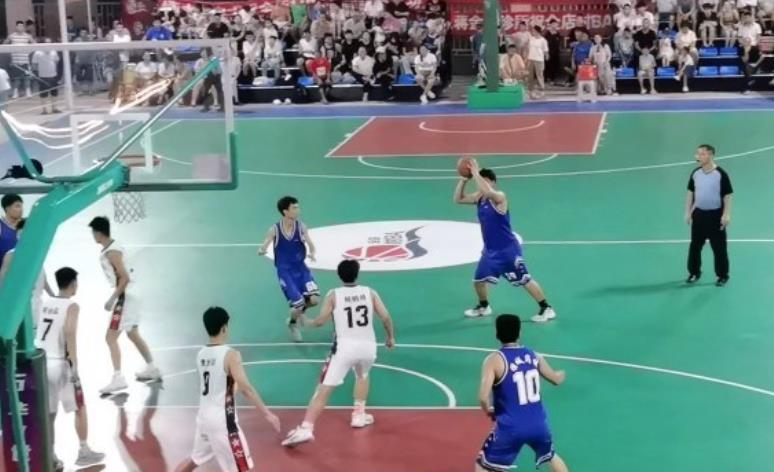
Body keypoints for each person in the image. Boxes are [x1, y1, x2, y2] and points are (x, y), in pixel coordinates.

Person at [282, 259, 396, 447]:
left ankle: (306, 428)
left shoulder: (334, 295)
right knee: (363, 375)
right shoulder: (370, 292)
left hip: (345, 348)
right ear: (357, 274)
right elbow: (385, 317)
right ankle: (359, 415)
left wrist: (306, 320)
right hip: (368, 346)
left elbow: (320, 321)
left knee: (324, 388)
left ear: (339, 275)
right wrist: (390, 337)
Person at [175, 307, 280, 472]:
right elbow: (246, 389)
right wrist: (268, 414)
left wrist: (233, 385)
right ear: (224, 327)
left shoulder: (201, 354)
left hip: (204, 419)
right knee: (242, 468)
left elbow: (220, 386)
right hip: (223, 423)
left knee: (194, 460)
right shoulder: (231, 355)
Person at [453, 159, 557, 323]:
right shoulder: (479, 198)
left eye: (485, 181)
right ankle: (484, 306)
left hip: (507, 250)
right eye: (480, 181)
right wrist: (464, 180)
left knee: (525, 280)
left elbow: (487, 191)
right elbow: (458, 199)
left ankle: (546, 308)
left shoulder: (499, 197)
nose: (481, 184)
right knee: (478, 281)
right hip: (490, 251)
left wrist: (475, 173)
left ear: (493, 182)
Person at [475, 314, 569, 472]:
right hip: (539, 425)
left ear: (497, 334)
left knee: (482, 465)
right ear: (519, 333)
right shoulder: (534, 356)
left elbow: (483, 397)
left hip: (510, 428)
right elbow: (555, 379)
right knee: (551, 456)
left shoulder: (494, 360)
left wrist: (489, 410)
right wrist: (562, 374)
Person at [36, 267, 105, 470]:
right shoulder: (72, 306)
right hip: (60, 364)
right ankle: (84, 451)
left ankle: (50, 457)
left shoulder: (46, 303)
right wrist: (74, 366)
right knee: (80, 407)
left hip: (42, 363)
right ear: (73, 284)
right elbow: (70, 333)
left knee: (49, 414)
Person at [89, 216, 161, 394]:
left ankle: (118, 378)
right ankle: (152, 367)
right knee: (132, 333)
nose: (93, 235)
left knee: (110, 338)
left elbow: (125, 277)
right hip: (132, 294)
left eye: (93, 232)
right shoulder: (113, 247)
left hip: (125, 296)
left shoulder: (112, 252)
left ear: (99, 233)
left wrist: (112, 299)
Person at [258, 196, 320, 342]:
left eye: (298, 207)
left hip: (301, 268)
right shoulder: (275, 229)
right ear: (285, 211)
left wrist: (312, 253)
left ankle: (300, 313)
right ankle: (292, 323)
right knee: (298, 304)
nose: (298, 210)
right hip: (285, 271)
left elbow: (310, 244)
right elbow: (265, 244)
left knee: (314, 300)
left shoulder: (301, 226)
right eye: (294, 208)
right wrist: (261, 249)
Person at [685, 144, 732, 286]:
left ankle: (722, 275)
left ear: (711, 155)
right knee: (695, 247)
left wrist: (726, 214)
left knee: (719, 248)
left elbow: (727, 195)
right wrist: (687, 212)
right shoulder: (695, 173)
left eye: (702, 154)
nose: (698, 156)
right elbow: (690, 193)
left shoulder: (720, 174)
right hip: (699, 216)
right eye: (698, 154)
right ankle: (694, 272)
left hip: (715, 216)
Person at [0, 219, 54, 327]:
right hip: (20, 306)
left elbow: (42, 278)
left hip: (37, 304)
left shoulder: (38, 254)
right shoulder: (11, 255)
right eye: (19, 234)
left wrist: (53, 296)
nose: (21, 237)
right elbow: (2, 278)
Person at [0, 194, 23, 271]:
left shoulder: (25, 226)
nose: (21, 209)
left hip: (21, 270)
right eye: (17, 206)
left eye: (21, 206)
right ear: (7, 208)